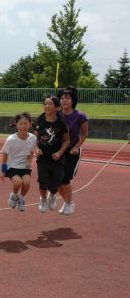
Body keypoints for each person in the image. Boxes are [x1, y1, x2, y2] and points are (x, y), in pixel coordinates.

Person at [33, 95, 70, 213]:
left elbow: (67, 140)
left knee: (55, 183)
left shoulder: (61, 123)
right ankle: (43, 199)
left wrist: (60, 152)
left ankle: (52, 195)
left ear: (57, 107)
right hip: (42, 157)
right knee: (43, 180)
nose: (47, 106)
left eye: (50, 104)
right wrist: (36, 148)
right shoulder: (39, 120)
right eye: (45, 104)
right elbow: (34, 138)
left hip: (57, 158)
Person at [57, 86, 88, 215]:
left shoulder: (79, 115)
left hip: (72, 151)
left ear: (73, 100)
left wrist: (76, 147)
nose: (64, 100)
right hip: (59, 151)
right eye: (62, 98)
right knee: (55, 181)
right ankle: (67, 201)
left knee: (64, 179)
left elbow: (85, 133)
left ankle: (69, 203)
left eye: (67, 98)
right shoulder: (56, 114)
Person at [0, 112, 37, 212]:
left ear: (30, 124)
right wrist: (3, 171)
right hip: (12, 166)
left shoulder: (33, 138)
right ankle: (14, 195)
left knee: (27, 183)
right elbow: (4, 154)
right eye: (21, 123)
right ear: (16, 125)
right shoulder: (11, 139)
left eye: (26, 123)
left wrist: (30, 161)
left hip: (25, 167)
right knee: (18, 182)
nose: (23, 126)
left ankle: (22, 199)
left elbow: (31, 152)